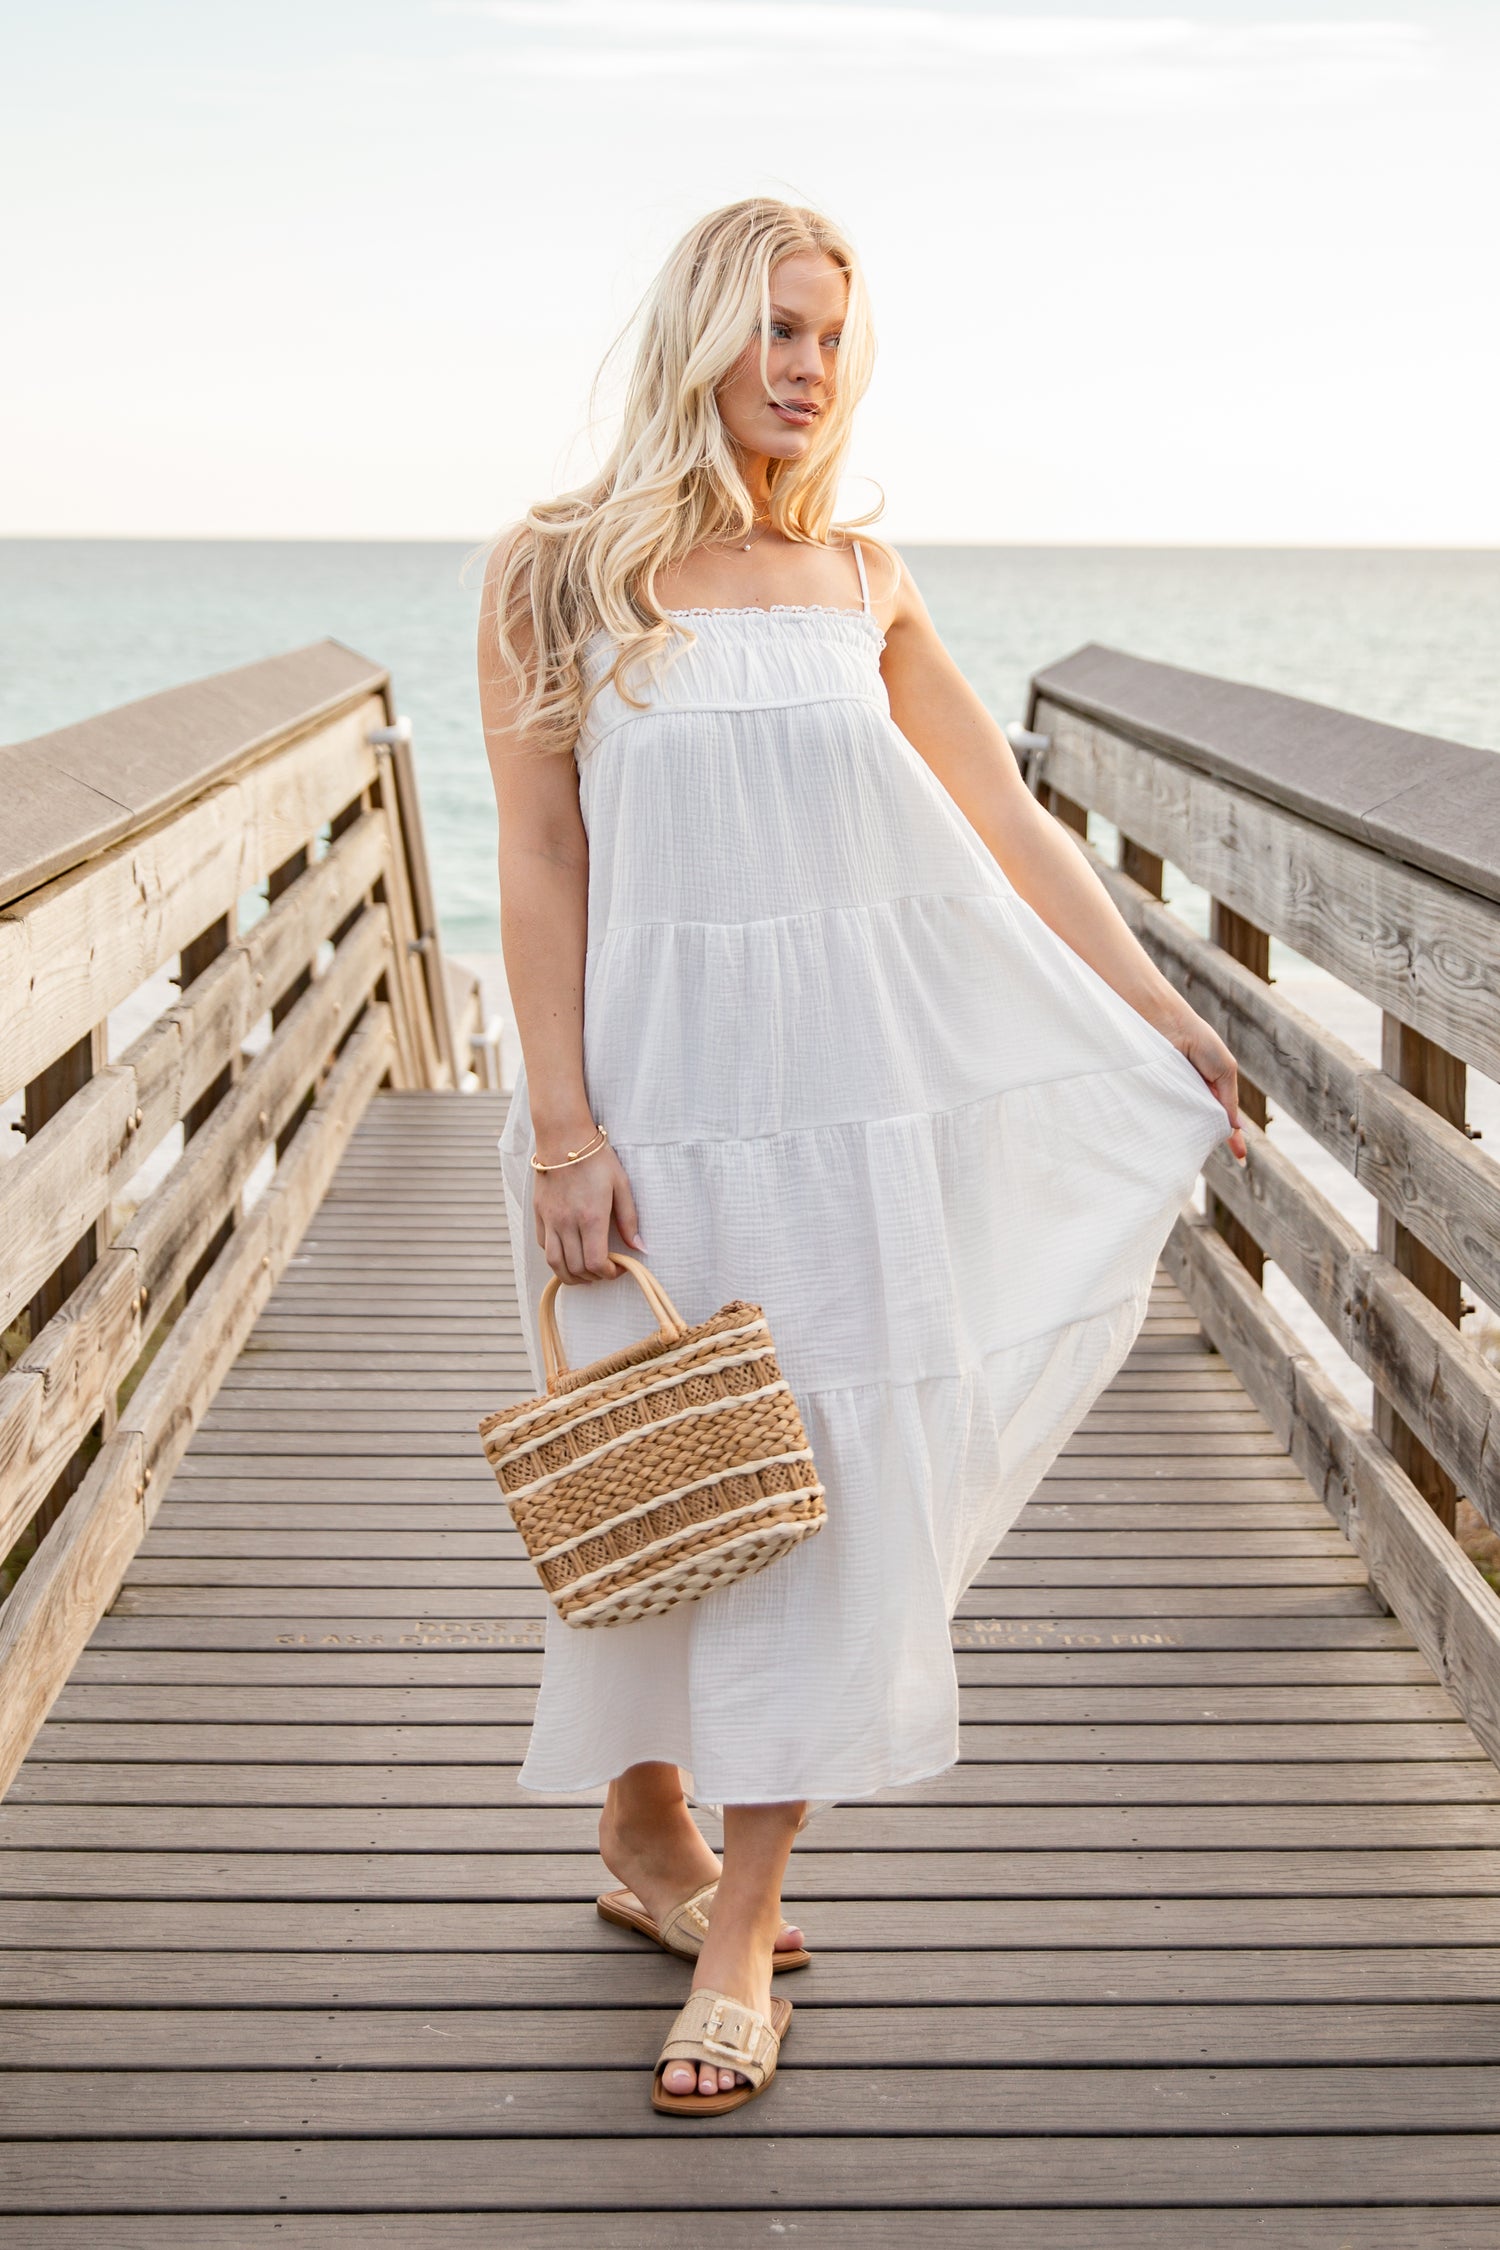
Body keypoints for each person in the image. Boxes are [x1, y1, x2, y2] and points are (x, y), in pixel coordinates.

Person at [476, 197, 1244, 2117]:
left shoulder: (862, 580)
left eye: (831, 335)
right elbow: (542, 854)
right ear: (701, 339)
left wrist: (1153, 1008)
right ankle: (643, 1825)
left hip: (848, 1114)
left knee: (827, 1492)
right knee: (661, 1485)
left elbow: (1004, 817)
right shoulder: (558, 571)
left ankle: (743, 1924)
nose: (808, 367)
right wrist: (565, 1124)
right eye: (777, 329)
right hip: (642, 1107)